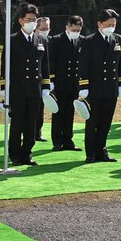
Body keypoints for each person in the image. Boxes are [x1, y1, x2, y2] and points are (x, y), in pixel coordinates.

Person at [0, 4, 50, 166]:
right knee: (18, 121)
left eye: (34, 20)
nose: (32, 22)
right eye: (28, 19)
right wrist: (4, 87)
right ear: (21, 21)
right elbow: (5, 64)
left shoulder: (41, 39)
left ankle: (27, 152)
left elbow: (45, 65)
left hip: (34, 88)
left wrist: (46, 86)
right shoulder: (12, 39)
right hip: (18, 88)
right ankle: (15, 153)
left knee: (31, 122)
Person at [78, 8, 121, 163]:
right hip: (94, 87)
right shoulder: (89, 40)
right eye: (109, 24)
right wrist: (83, 86)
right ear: (100, 24)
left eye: (114, 24)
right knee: (93, 121)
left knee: (106, 121)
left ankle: (102, 151)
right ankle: (91, 153)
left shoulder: (118, 39)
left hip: (111, 87)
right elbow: (83, 65)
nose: (112, 26)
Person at [48, 15, 83, 150]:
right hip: (59, 82)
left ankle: (68, 140)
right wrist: (51, 81)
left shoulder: (81, 40)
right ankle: (57, 141)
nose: (76, 32)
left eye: (78, 30)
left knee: (70, 112)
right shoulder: (56, 40)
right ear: (67, 27)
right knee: (58, 112)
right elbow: (51, 62)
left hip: (73, 83)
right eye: (74, 29)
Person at [34, 16, 51, 142]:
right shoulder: (32, 41)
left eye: (48, 28)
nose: (46, 30)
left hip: (41, 81)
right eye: (43, 28)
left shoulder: (48, 41)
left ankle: (37, 133)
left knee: (40, 108)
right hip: (28, 81)